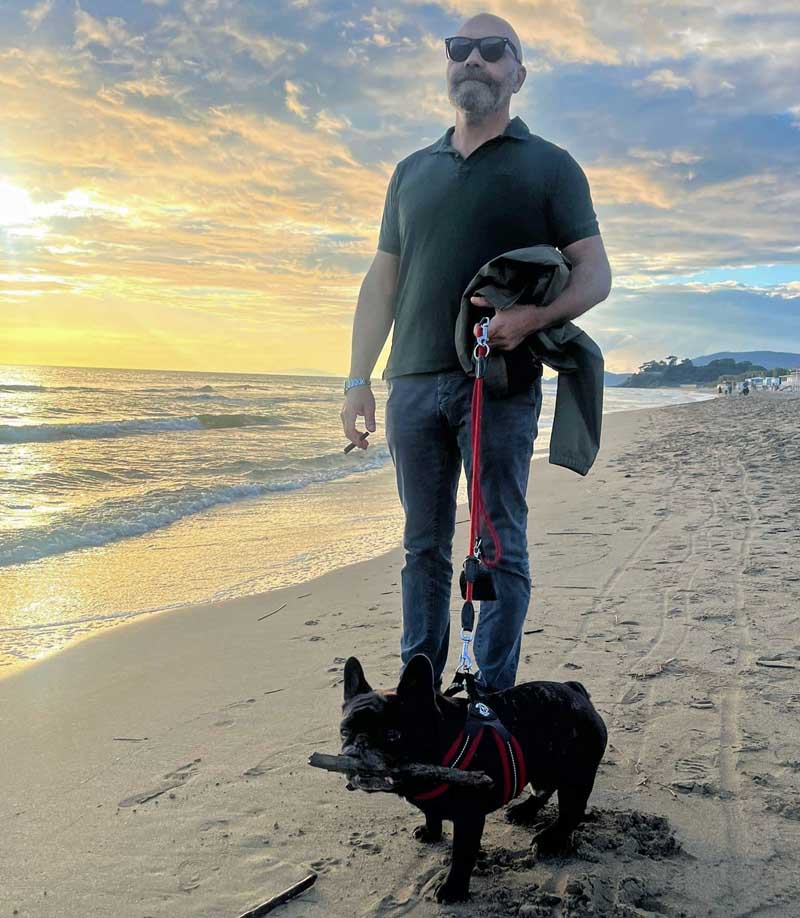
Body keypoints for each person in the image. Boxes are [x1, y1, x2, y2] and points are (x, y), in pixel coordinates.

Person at [340, 12, 612, 693]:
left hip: (500, 380)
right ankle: (418, 696)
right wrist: (356, 379)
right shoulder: (410, 172)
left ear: (517, 74)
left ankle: (491, 696)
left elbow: (595, 273)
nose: (474, 61)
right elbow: (383, 281)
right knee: (421, 549)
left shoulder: (550, 166)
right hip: (409, 383)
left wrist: (534, 318)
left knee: (499, 546)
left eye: (493, 52)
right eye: (460, 49)